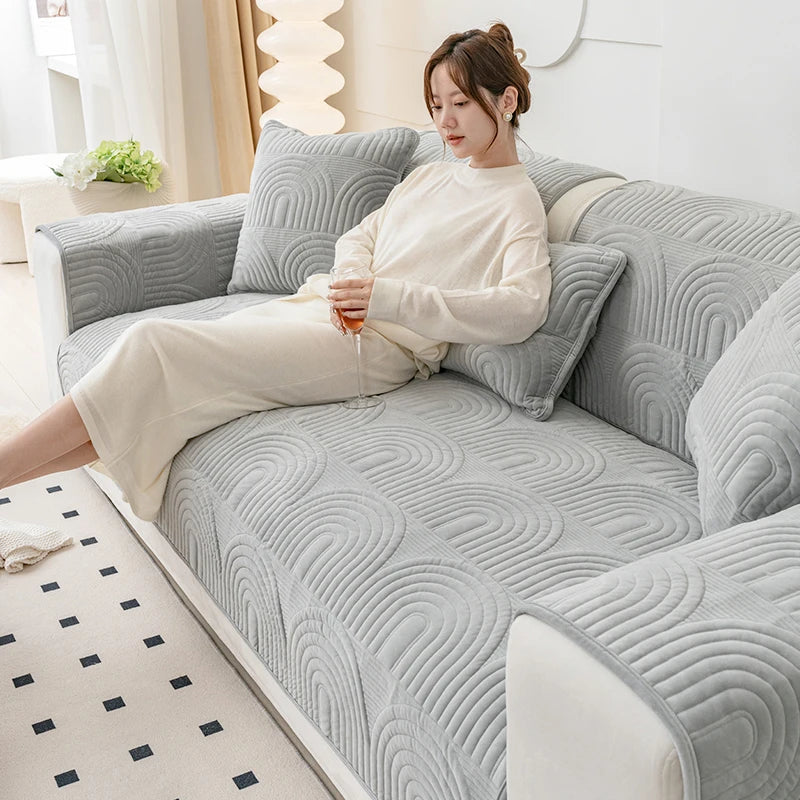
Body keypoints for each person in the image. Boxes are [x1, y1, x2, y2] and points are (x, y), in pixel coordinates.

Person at [0, 22, 551, 522]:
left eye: (460, 102)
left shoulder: (516, 202)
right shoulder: (435, 175)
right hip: (325, 310)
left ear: (506, 100)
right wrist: (351, 283)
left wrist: (385, 299)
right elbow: (362, 235)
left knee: (151, 345)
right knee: (149, 377)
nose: (444, 121)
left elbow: (521, 309)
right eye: (436, 105)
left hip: (376, 350)